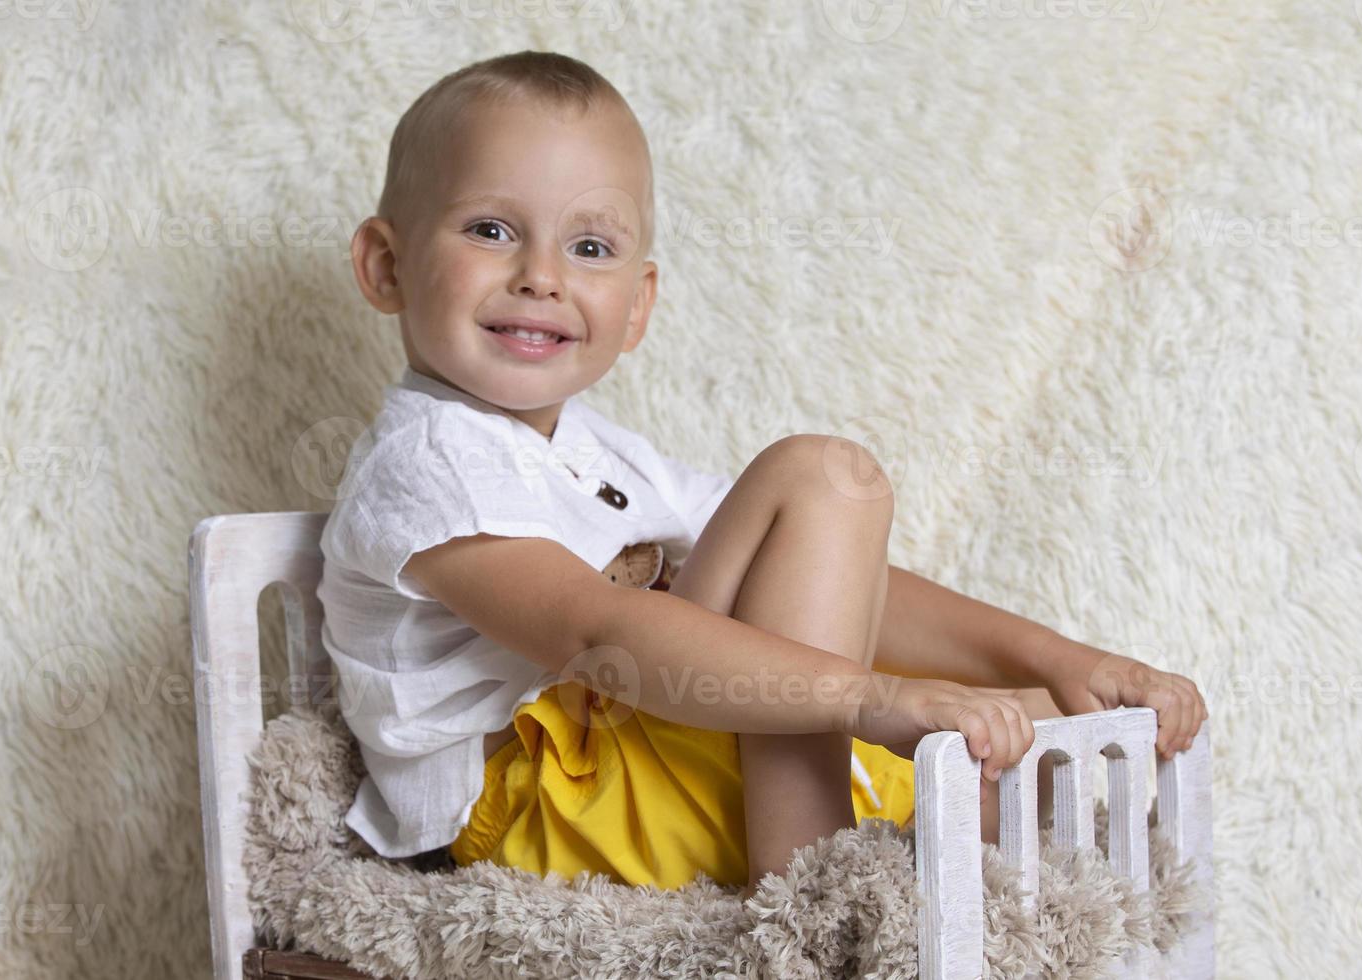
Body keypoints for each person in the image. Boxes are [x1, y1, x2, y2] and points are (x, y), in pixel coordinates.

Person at [318, 49, 1208, 899]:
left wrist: (1060, 660)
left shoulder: (597, 450)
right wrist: (869, 699)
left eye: (590, 248)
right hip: (538, 803)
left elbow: (823, 578)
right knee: (820, 477)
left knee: (1015, 714)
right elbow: (597, 631)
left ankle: (843, 825)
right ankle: (811, 887)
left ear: (637, 306)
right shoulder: (426, 462)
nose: (542, 276)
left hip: (627, 756)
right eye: (491, 229)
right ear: (386, 265)